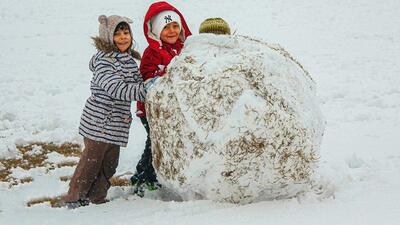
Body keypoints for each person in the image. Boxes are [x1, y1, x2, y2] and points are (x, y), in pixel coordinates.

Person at [59, 15, 145, 208]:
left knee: (109, 164)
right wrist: (146, 90)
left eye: (126, 33)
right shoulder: (104, 62)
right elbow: (117, 89)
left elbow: (136, 84)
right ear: (107, 37)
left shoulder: (129, 60)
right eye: (117, 34)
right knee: (90, 162)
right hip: (100, 122)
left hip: (116, 125)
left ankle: (96, 197)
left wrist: (147, 85)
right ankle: (74, 197)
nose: (123, 37)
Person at [131, 1, 192, 193]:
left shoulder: (185, 48)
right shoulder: (152, 53)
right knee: (155, 142)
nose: (172, 31)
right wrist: (168, 77)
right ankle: (143, 177)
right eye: (166, 27)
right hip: (152, 110)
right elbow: (147, 80)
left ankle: (161, 173)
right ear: (157, 30)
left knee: (168, 142)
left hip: (173, 109)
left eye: (175, 26)